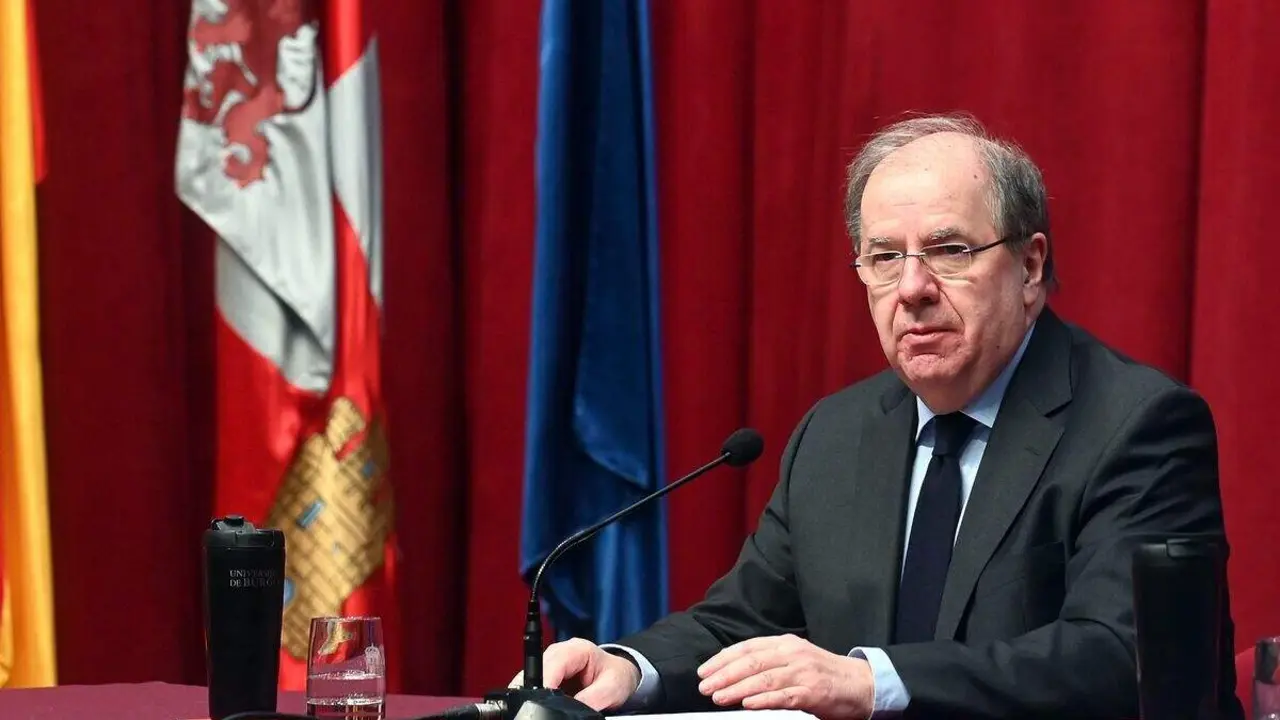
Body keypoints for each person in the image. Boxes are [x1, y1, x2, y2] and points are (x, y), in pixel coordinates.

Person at [522, 114, 1244, 720]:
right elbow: (741, 622)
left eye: (949, 251)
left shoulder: (1138, 424)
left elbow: (1123, 657)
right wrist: (630, 665)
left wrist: (870, 683)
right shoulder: (837, 435)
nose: (912, 289)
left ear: (1029, 268)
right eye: (882, 258)